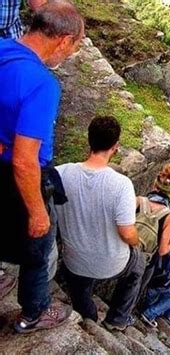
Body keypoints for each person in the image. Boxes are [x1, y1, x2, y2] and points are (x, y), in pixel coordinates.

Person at [0, 1, 84, 333]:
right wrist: (37, 211)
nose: (69, 55)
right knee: (38, 248)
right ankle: (33, 313)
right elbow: (25, 160)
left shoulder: (4, 48)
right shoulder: (41, 83)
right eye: (73, 48)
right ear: (63, 39)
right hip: (17, 176)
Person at [56, 116, 145, 331]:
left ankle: (89, 318)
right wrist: (137, 242)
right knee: (138, 265)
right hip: (112, 264)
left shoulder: (60, 173)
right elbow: (126, 232)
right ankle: (117, 319)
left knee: (80, 288)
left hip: (74, 261)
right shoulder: (121, 185)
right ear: (115, 147)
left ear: (89, 140)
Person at [137, 164, 170, 295]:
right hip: (144, 260)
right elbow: (162, 250)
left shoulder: (139, 201)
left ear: (154, 185)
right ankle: (124, 314)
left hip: (124, 248)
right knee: (134, 289)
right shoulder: (169, 215)